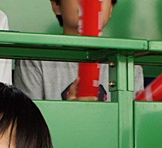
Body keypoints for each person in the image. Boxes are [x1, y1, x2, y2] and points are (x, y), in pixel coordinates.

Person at [13, 0, 143, 101]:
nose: (90, 2)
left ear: (111, 9)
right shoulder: (33, 58)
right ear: (56, 5)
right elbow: (27, 127)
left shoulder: (128, 62)